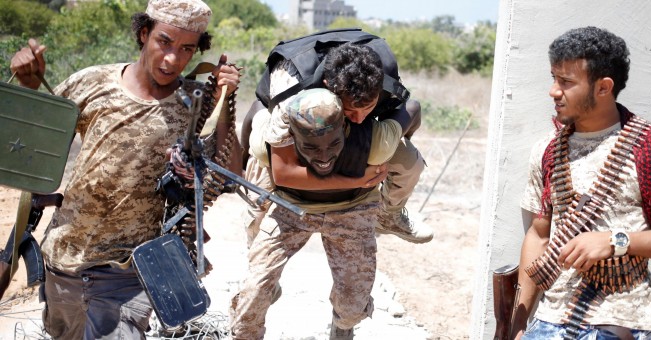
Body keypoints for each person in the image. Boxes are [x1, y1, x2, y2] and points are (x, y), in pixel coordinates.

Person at [9, 0, 240, 338]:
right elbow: (30, 142)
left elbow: (227, 173)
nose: (173, 58)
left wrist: (225, 100)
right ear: (144, 33)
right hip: (66, 260)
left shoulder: (194, 103)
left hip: (131, 273)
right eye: (164, 41)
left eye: (187, 48)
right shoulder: (91, 83)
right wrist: (29, 86)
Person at [512, 26, 651, 339]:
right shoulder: (548, 149)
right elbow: (539, 235)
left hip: (627, 320)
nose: (553, 91)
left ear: (604, 87)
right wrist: (518, 322)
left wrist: (616, 241)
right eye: (554, 78)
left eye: (566, 82)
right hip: (552, 320)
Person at [231, 87, 413, 339]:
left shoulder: (374, 140)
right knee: (253, 292)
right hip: (291, 207)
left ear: (346, 127)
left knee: (352, 307)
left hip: (351, 209)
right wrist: (242, 161)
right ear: (291, 136)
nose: (325, 156)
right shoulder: (271, 141)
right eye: (311, 148)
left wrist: (404, 146)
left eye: (334, 144)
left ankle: (342, 326)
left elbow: (411, 108)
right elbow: (257, 109)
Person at [241, 37, 432, 246]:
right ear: (329, 89)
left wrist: (394, 142)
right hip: (299, 127)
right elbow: (283, 173)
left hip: (343, 127)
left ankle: (388, 216)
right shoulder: (290, 98)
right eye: (351, 110)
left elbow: (412, 108)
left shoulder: (379, 79)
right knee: (260, 156)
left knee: (408, 161)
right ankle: (253, 245)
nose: (359, 118)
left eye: (367, 108)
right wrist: (356, 181)